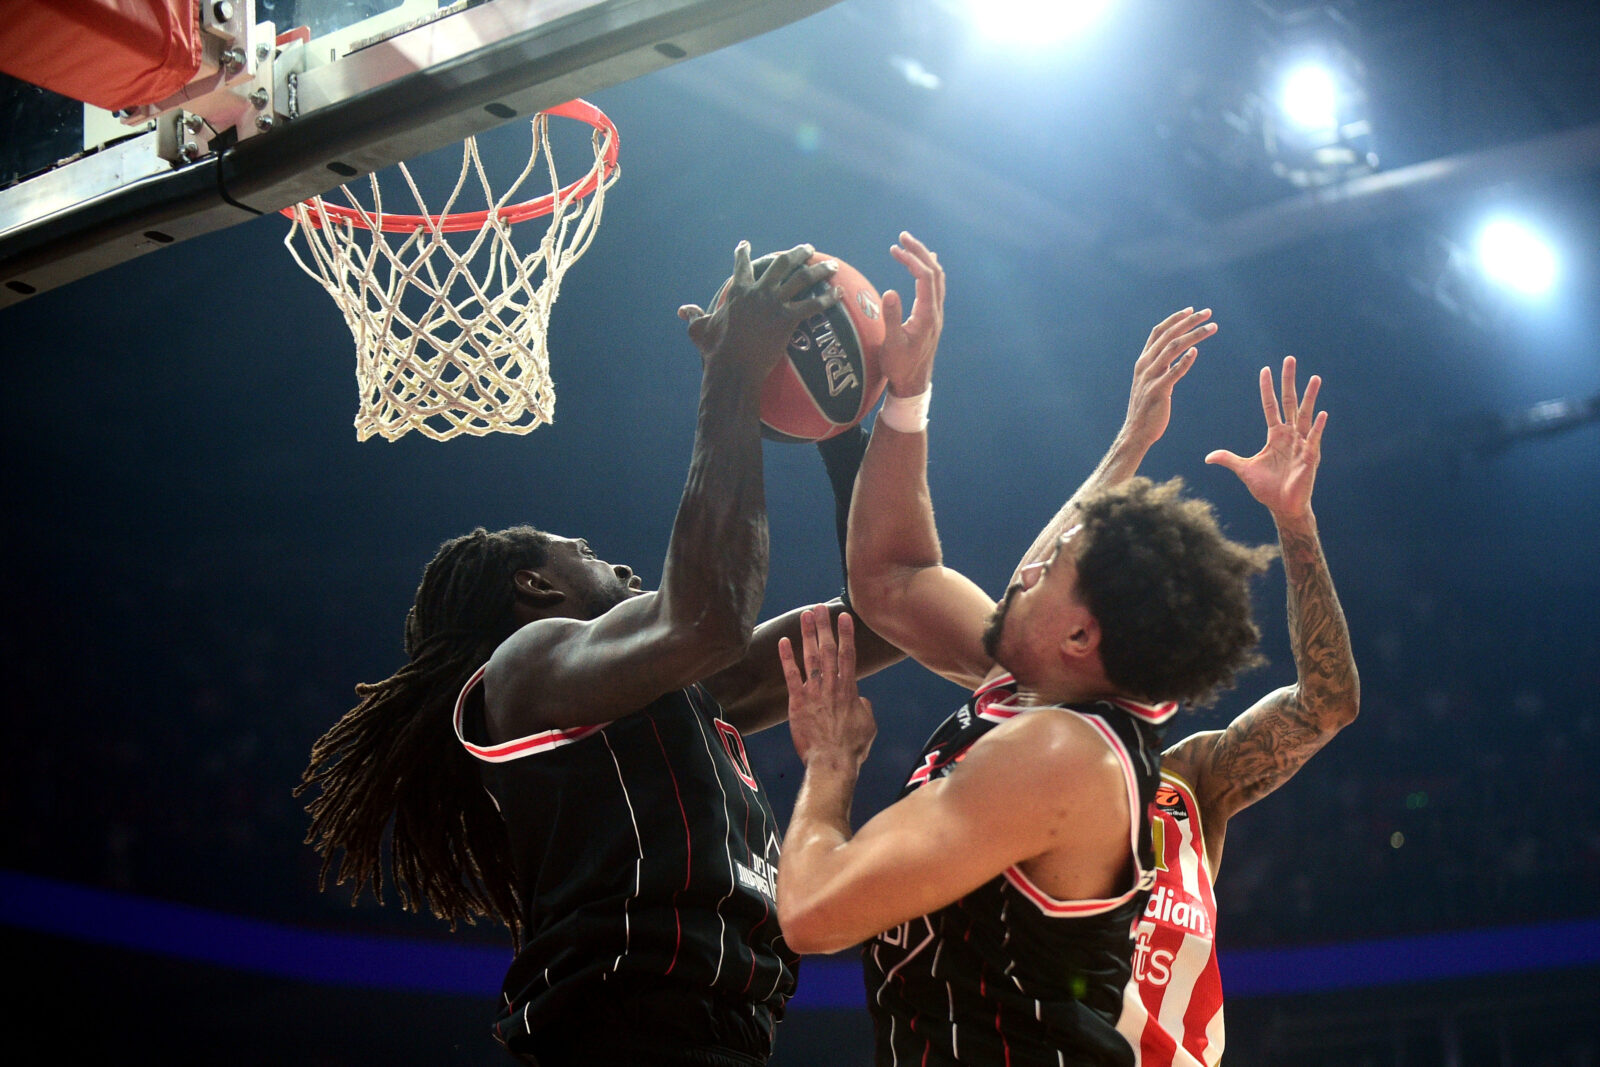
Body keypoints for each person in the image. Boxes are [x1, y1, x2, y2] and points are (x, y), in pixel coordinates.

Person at [298, 241, 903, 1067]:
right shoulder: (524, 667)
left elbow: (881, 621)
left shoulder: (682, 689)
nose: (623, 568)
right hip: (620, 1030)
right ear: (534, 586)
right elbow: (706, 616)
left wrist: (841, 430)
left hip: (717, 1032)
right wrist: (733, 371)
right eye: (585, 553)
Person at [774, 233, 1276, 1066]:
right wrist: (906, 393)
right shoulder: (1040, 688)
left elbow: (812, 909)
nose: (1029, 568)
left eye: (1050, 572)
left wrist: (830, 763)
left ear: (1080, 636)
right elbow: (891, 576)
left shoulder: (1064, 753)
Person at [1116, 356, 1359, 1066]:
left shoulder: (1188, 780)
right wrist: (1130, 443)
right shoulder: (1019, 770)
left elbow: (1328, 704)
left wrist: (1294, 521)